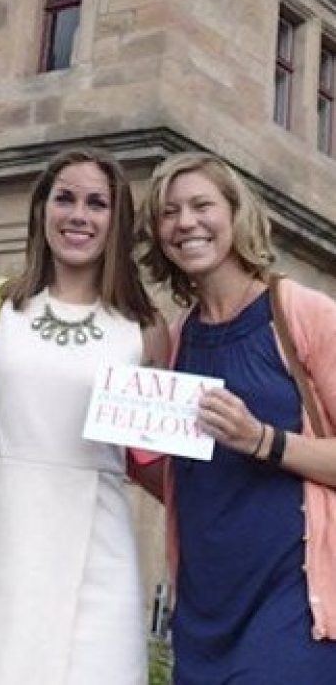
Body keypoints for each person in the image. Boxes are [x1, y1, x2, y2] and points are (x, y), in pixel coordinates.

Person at [0, 147, 169, 685]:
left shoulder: (147, 326)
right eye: (64, 199)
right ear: (41, 209)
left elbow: (158, 458)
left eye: (97, 203)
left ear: (117, 221)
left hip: (97, 537)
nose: (78, 216)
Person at [137, 152, 336, 684]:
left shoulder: (300, 313)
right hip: (205, 606)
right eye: (169, 212)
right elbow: (193, 481)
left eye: (202, 205)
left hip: (293, 602)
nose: (186, 223)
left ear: (235, 215)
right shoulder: (178, 340)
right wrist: (128, 446)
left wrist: (264, 439)